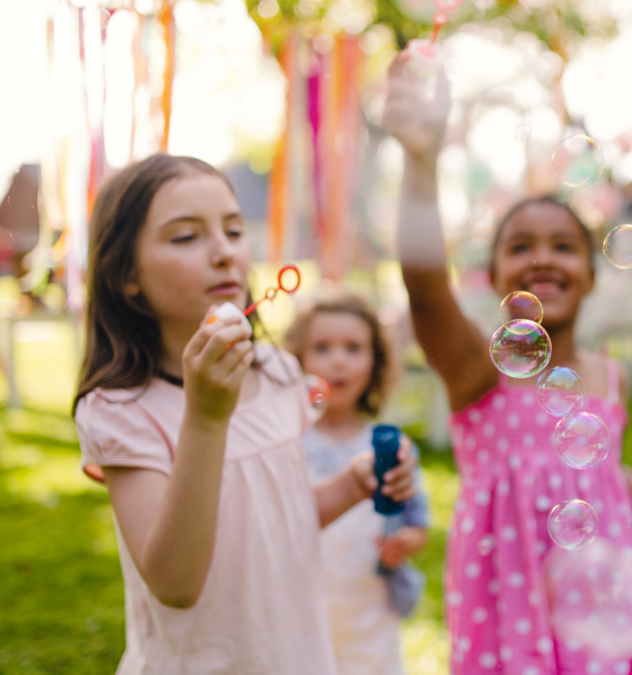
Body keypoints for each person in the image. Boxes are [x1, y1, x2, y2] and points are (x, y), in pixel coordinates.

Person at [72, 154, 417, 674]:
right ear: (125, 275)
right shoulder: (121, 410)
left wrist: (352, 484)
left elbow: (279, 517)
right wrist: (206, 418)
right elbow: (175, 583)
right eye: (186, 237)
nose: (224, 253)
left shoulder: (276, 370)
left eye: (233, 231)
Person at [382, 51, 632, 674]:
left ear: (590, 275)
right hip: (511, 595)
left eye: (563, 246)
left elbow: (599, 469)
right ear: (495, 272)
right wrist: (422, 162)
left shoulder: (607, 372)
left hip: (598, 590)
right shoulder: (482, 368)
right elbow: (423, 285)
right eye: (520, 245)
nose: (542, 258)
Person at [285, 295, 431, 675]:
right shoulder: (286, 441)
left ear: (375, 362)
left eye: (353, 348)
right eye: (322, 348)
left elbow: (418, 521)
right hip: (295, 608)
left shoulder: (389, 444)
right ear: (298, 360)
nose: (338, 360)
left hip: (368, 613)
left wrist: (406, 542)